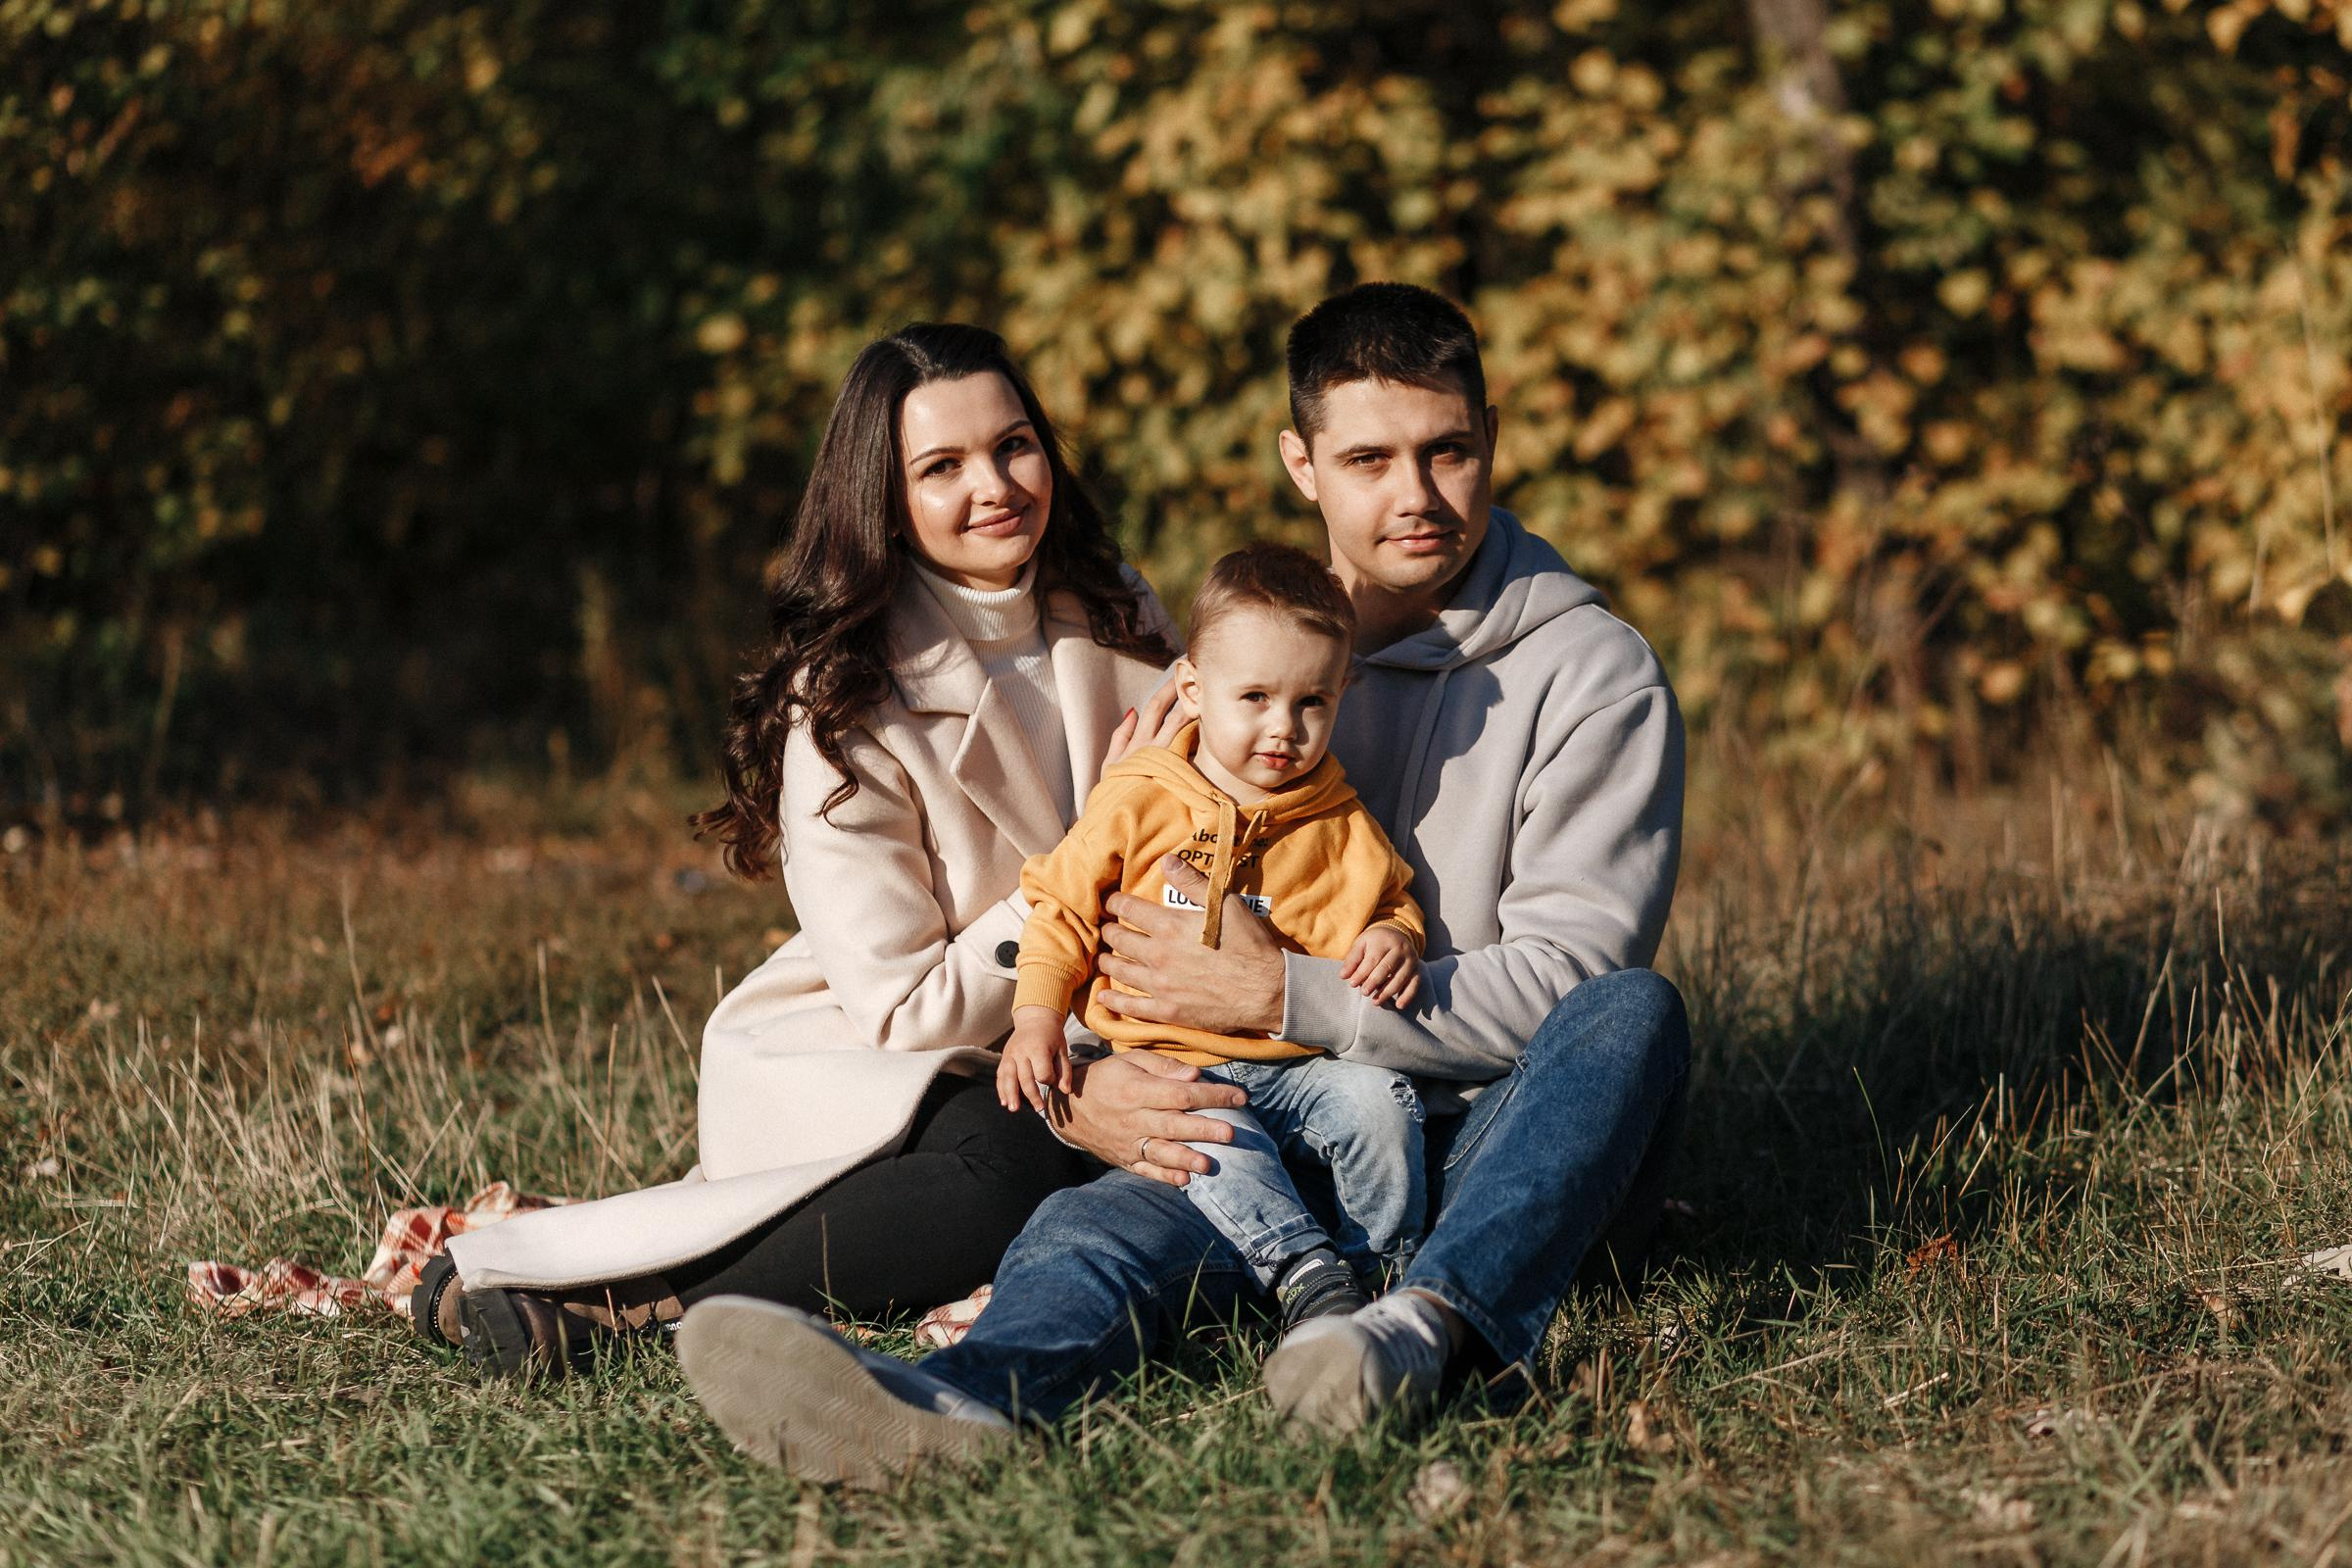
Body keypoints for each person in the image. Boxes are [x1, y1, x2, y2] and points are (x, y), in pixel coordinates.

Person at [673, 281, 1690, 1483]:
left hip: (1479, 1135)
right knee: (1081, 1226)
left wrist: (1291, 995)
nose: (1414, 496)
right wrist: (1097, 1088)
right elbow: (1115, 912)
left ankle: (1425, 1331)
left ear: (1492, 441)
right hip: (1251, 1117)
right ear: (1301, 465)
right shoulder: (1241, 664)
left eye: (1448, 451)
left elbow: (1569, 981)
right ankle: (961, 1408)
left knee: (1637, 1016)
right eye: (1369, 458)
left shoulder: (1593, 675)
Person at [409, 321, 1215, 1376]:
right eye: (942, 466)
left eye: (1015, 445)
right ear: (883, 497)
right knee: (1017, 1164)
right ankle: (620, 1301)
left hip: (1095, 1018)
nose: (997, 485)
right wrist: (1090, 863)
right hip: (892, 1050)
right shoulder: (843, 693)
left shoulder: (1115, 602)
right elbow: (906, 1008)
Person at [1000, 542, 1428, 1332]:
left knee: (1378, 1102)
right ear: (1193, 688)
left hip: (1299, 1061)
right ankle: (1304, 1269)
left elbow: (1391, 901)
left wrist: (1395, 938)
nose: (1284, 728)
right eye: (1256, 697)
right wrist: (1035, 1017)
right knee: (1205, 1136)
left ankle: (1390, 1266)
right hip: (1171, 1060)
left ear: (1341, 696)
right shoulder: (1138, 798)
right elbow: (1059, 909)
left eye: (1312, 703)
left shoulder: (1339, 819)